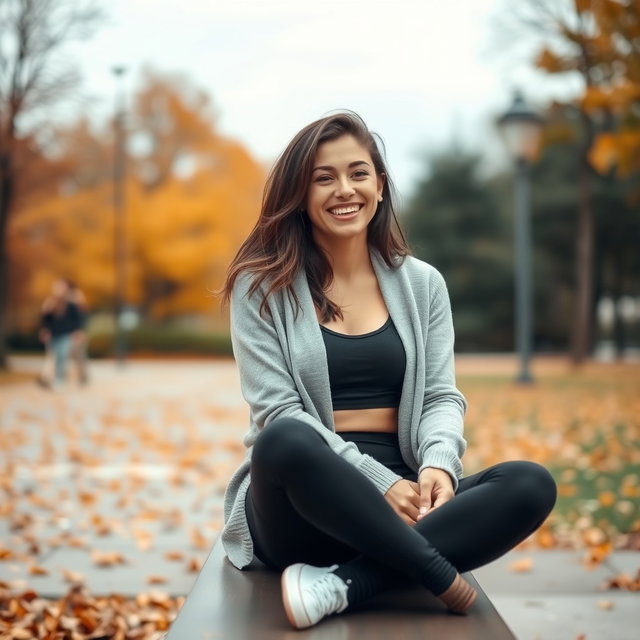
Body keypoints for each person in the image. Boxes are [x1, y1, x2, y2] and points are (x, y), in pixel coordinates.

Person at [219, 112, 557, 630]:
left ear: (379, 184)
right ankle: (428, 567)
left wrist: (438, 466)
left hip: (406, 502)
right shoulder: (261, 287)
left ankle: (349, 583)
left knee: (530, 484)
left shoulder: (423, 284)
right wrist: (377, 484)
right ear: (300, 194)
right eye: (323, 177)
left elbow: (442, 396)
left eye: (358, 172)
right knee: (282, 438)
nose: (344, 189)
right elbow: (277, 409)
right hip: (301, 507)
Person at [38, 279, 81, 390]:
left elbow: (77, 318)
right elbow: (45, 319)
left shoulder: (71, 304)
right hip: (53, 334)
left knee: (62, 355)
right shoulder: (50, 303)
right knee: (54, 356)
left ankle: (59, 379)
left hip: (65, 334)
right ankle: (52, 377)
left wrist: (77, 331)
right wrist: (44, 329)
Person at [66, 279, 90, 385]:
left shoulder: (77, 297)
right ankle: (80, 376)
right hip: (68, 331)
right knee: (72, 355)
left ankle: (82, 376)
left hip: (76, 331)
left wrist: (80, 330)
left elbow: (81, 316)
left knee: (78, 355)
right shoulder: (65, 297)